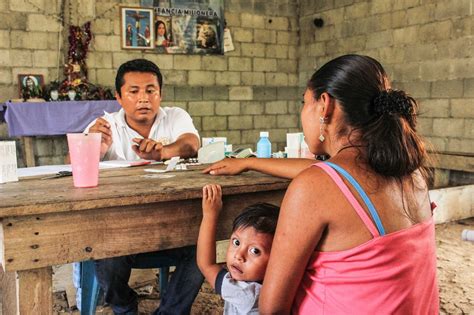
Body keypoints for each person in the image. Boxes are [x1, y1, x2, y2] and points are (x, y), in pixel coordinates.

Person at [204, 54, 439, 314]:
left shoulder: (315, 187)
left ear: (324, 106)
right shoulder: (410, 172)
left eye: (305, 103)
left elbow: (273, 309)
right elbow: (325, 173)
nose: (303, 113)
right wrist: (250, 162)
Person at [81, 58, 203, 315]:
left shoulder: (175, 116)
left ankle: (170, 312)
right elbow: (75, 166)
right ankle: (125, 306)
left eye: (150, 90)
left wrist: (164, 152)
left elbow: (191, 144)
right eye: (133, 91)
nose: (144, 98)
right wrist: (95, 148)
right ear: (119, 96)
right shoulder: (106, 126)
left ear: (161, 94)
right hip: (121, 227)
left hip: (171, 224)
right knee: (104, 254)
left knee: (202, 248)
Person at [197, 184, 279, 314]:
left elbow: (206, 265)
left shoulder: (247, 293)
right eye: (236, 242)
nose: (239, 255)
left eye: (255, 251)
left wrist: (209, 215)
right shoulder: (280, 288)